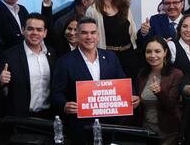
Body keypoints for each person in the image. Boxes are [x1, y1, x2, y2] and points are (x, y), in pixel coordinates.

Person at [51, 17, 140, 145]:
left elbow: (123, 81)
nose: (89, 37)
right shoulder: (64, 62)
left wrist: (132, 96)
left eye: (93, 32)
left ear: (98, 35)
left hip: (109, 126)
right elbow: (56, 93)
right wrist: (64, 105)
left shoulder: (110, 57)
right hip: (80, 129)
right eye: (84, 33)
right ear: (77, 35)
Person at [0, 13, 56, 118]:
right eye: (30, 29)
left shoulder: (52, 53)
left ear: (45, 33)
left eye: (39, 30)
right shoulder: (9, 55)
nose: (35, 33)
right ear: (23, 30)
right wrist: (1, 82)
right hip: (21, 119)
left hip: (49, 116)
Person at [134, 36, 183, 144]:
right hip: (146, 130)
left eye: (157, 51)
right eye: (148, 52)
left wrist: (159, 92)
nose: (153, 55)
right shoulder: (142, 73)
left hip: (168, 132)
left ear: (165, 52)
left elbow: (171, 105)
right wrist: (134, 102)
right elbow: (140, 104)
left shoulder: (176, 74)